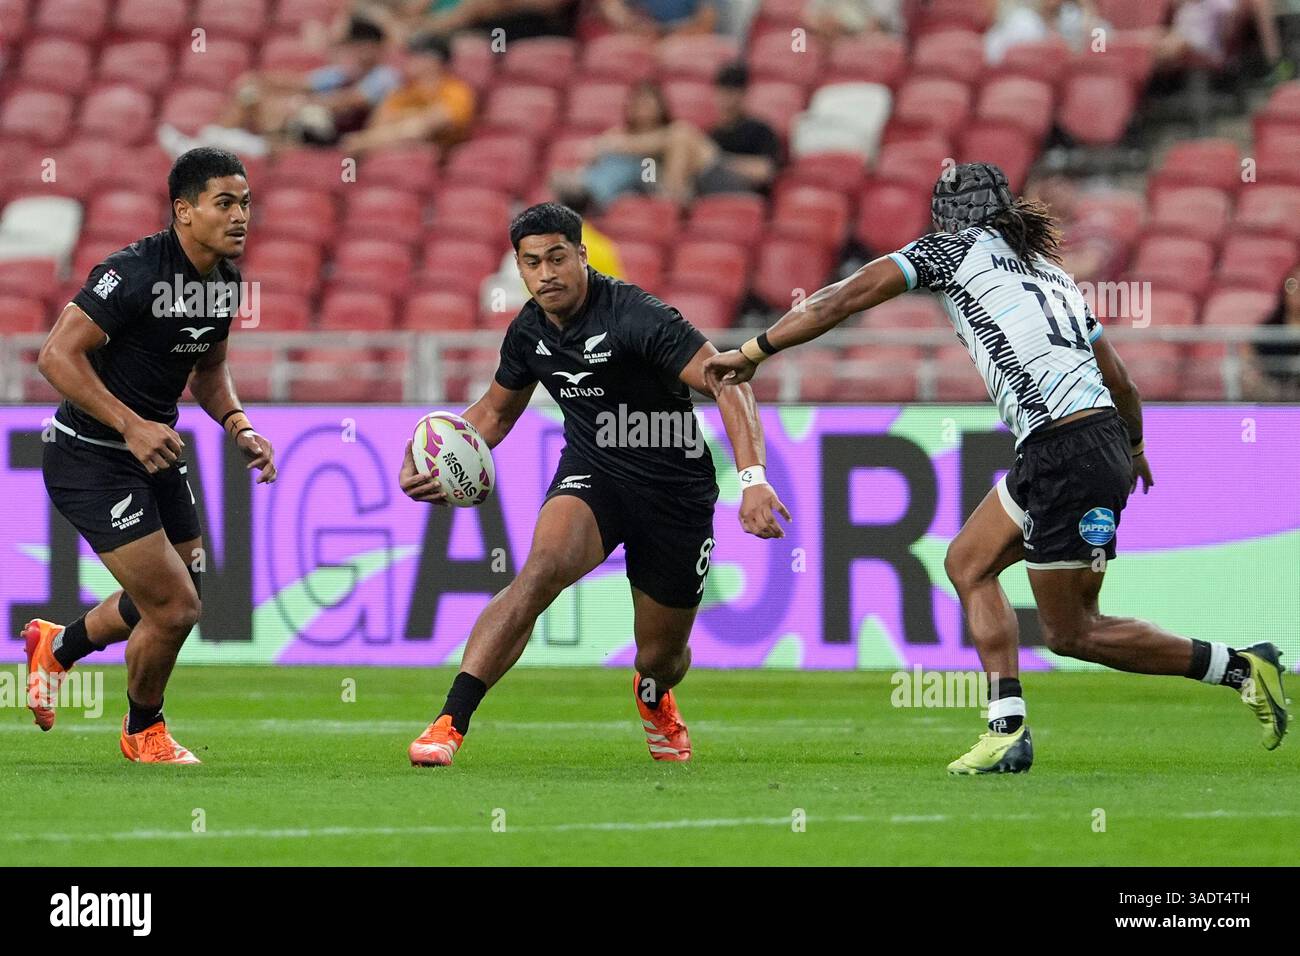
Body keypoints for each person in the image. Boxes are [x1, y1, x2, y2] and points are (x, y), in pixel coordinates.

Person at [705, 162, 1289, 773]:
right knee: (968, 562)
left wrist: (753, 351)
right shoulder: (1051, 276)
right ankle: (1006, 729)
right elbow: (1123, 382)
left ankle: (1242, 668)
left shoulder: (951, 249)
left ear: (947, 215)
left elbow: (843, 296)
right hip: (1077, 446)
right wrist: (1134, 450)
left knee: (1073, 632)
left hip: (1068, 452)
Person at [398, 202, 790, 767]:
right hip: (594, 474)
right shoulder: (529, 329)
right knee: (538, 574)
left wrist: (752, 480)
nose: (546, 274)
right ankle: (448, 723)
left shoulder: (638, 316)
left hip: (674, 490)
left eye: (557, 258)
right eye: (531, 263)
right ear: (519, 267)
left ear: (582, 256)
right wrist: (429, 454)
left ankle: (653, 695)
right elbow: (494, 415)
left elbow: (726, 382)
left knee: (661, 655)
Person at [26, 147, 278, 764]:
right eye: (225, 203)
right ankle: (144, 731)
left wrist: (238, 424)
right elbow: (56, 356)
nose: (240, 215)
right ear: (184, 211)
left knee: (175, 593)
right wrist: (130, 423)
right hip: (92, 456)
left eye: (245, 202)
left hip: (154, 450)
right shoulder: (134, 271)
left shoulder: (225, 283)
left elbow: (210, 367)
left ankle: (57, 647)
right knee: (176, 607)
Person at [339, 33, 476, 154]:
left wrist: (364, 142)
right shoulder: (404, 91)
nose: (409, 60)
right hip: (388, 154)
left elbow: (423, 128)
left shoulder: (456, 91)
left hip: (435, 163)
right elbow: (375, 125)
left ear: (434, 60)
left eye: (415, 55)